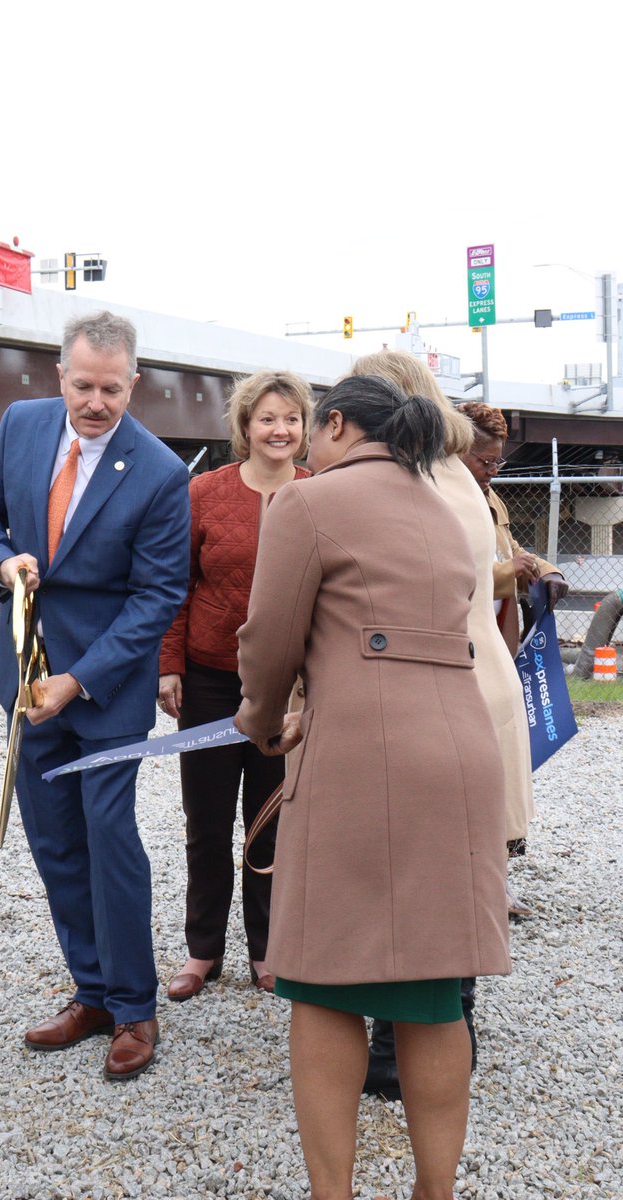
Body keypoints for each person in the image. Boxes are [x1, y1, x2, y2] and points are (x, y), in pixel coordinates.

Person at [235, 374, 510, 1200]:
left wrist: (258, 718)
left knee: (324, 986)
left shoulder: (308, 504)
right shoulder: (442, 507)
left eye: (315, 429)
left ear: (340, 426)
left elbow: (269, 640)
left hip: (361, 759)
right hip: (460, 755)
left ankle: (335, 1194)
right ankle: (435, 1191)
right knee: (430, 991)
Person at [0, 311, 190, 1082]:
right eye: (84, 385)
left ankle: (134, 1007)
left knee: (108, 836)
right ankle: (90, 991)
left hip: (102, 691)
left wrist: (79, 678)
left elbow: (156, 597)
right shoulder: (20, 425)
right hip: (25, 681)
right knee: (54, 841)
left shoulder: (159, 472)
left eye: (113, 389)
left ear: (135, 383)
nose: (96, 403)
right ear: (60, 376)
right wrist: (2, 565)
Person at [351, 352, 537, 1102]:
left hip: (428, 689)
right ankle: (450, 1026)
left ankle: (404, 1045)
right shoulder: (458, 475)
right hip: (479, 681)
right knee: (458, 870)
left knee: (414, 875)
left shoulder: (409, 477)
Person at [158, 371, 313, 1001]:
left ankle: (269, 948)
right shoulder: (203, 493)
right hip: (212, 681)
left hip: (289, 686)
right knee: (207, 817)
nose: (280, 430)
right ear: (245, 427)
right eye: (268, 419)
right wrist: (169, 664)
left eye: (292, 419)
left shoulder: (321, 492)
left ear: (306, 429)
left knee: (271, 820)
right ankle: (203, 950)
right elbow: (175, 584)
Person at [456, 402, 568, 658]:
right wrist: (510, 570)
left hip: (496, 636)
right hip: (464, 641)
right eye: (486, 461)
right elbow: (451, 578)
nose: (493, 471)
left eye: (499, 462)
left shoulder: (490, 496)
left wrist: (548, 573)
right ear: (457, 451)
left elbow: (509, 548)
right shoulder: (439, 499)